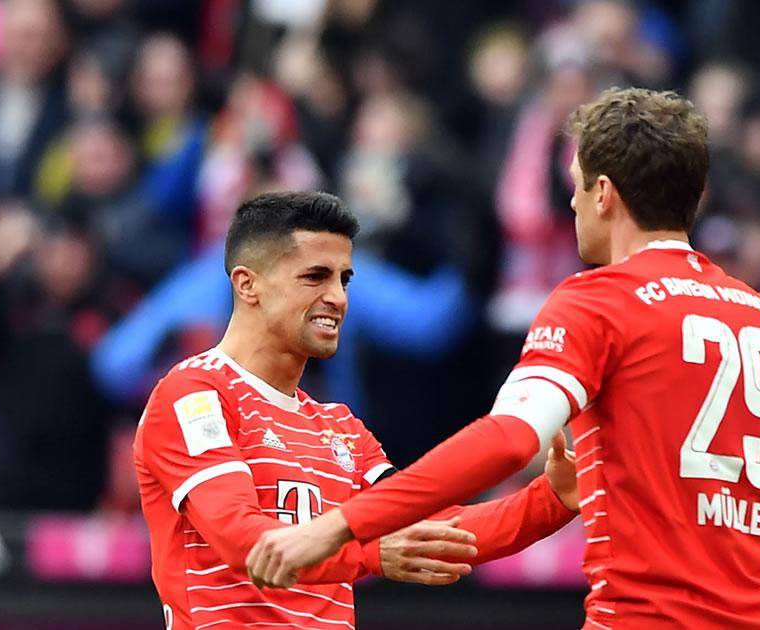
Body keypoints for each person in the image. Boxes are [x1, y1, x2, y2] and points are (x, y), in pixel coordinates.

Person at [248, 88, 760, 630]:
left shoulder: (596, 302)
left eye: (575, 184)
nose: (569, 202)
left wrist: (339, 525)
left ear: (604, 194)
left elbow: (509, 441)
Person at [132, 191, 579, 629]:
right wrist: (366, 554)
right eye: (315, 277)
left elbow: (436, 531)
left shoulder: (340, 428)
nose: (339, 298)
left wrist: (552, 499)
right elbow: (240, 539)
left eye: (343, 280)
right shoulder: (195, 395)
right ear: (248, 284)